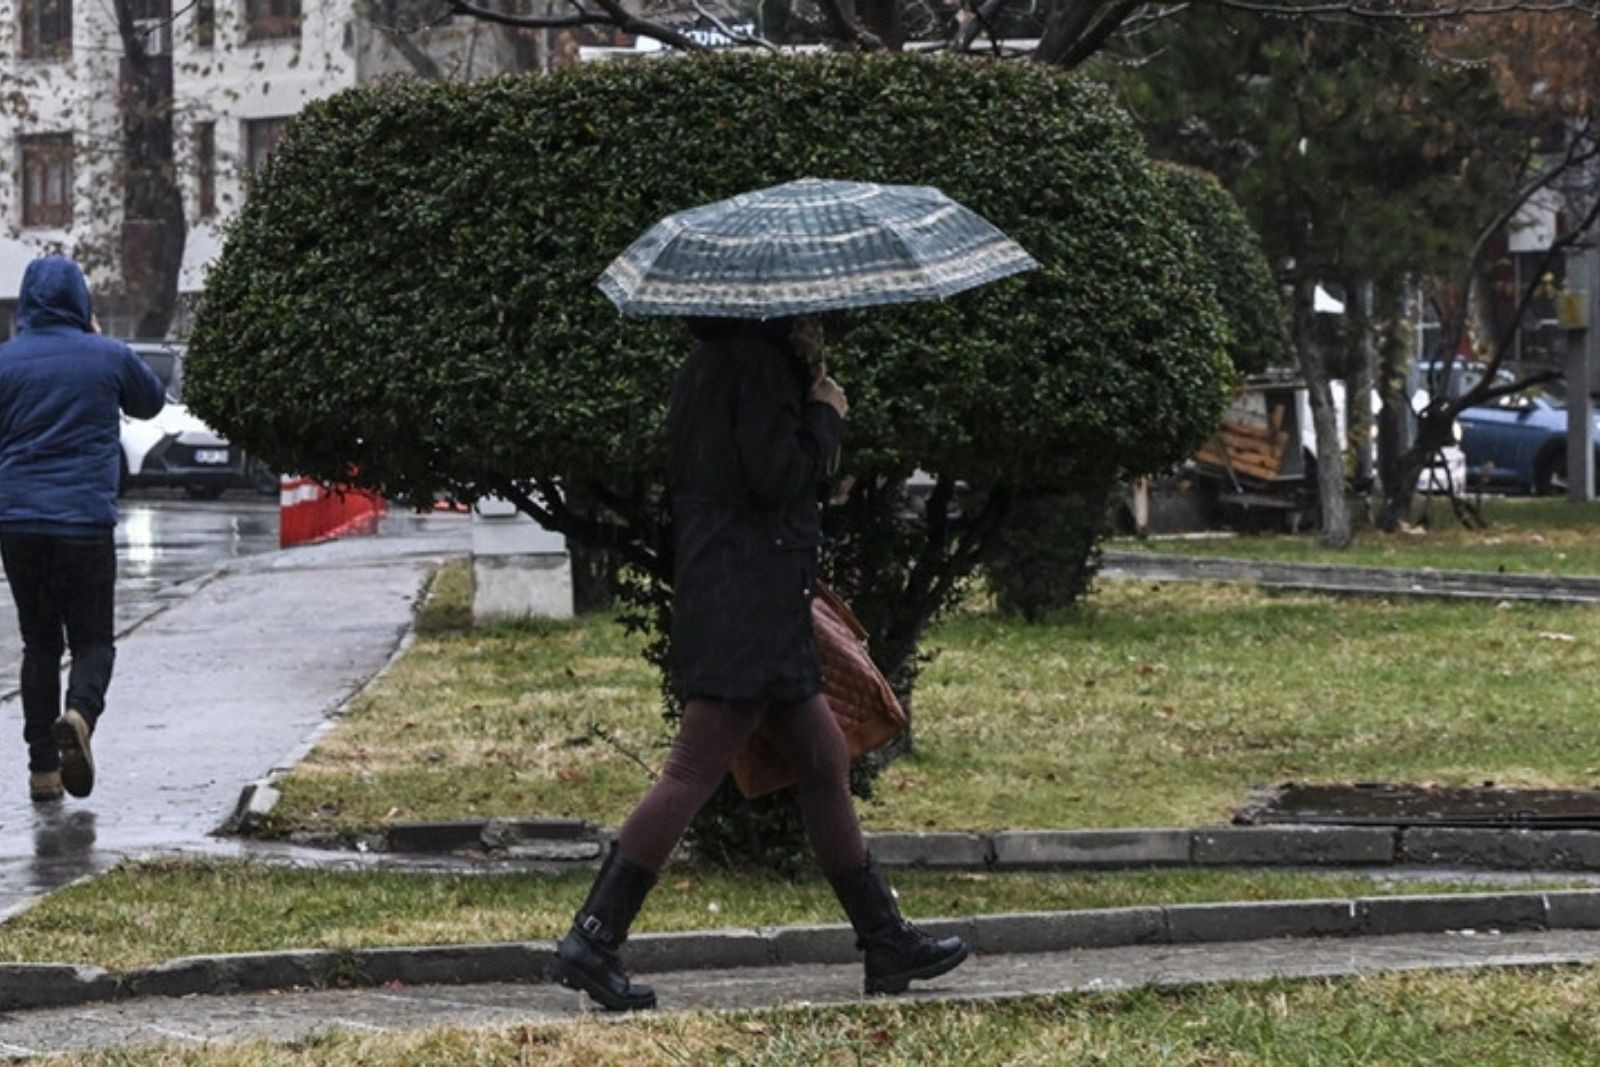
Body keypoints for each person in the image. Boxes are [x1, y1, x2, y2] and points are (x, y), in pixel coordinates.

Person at [554, 315, 968, 1011]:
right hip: (746, 603)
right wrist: (824, 415)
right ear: (771, 311)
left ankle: (886, 939)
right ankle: (592, 938)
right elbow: (781, 477)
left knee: (824, 758)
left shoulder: (710, 364)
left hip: (749, 598)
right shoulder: (754, 367)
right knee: (690, 771)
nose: (814, 324)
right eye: (805, 314)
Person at [0, 257, 166, 802]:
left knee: (39, 643)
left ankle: (43, 772)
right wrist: (97, 338)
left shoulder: (5, 362)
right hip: (84, 524)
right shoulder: (108, 356)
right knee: (93, 640)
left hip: (19, 523)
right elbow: (151, 401)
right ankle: (80, 715)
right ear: (82, 302)